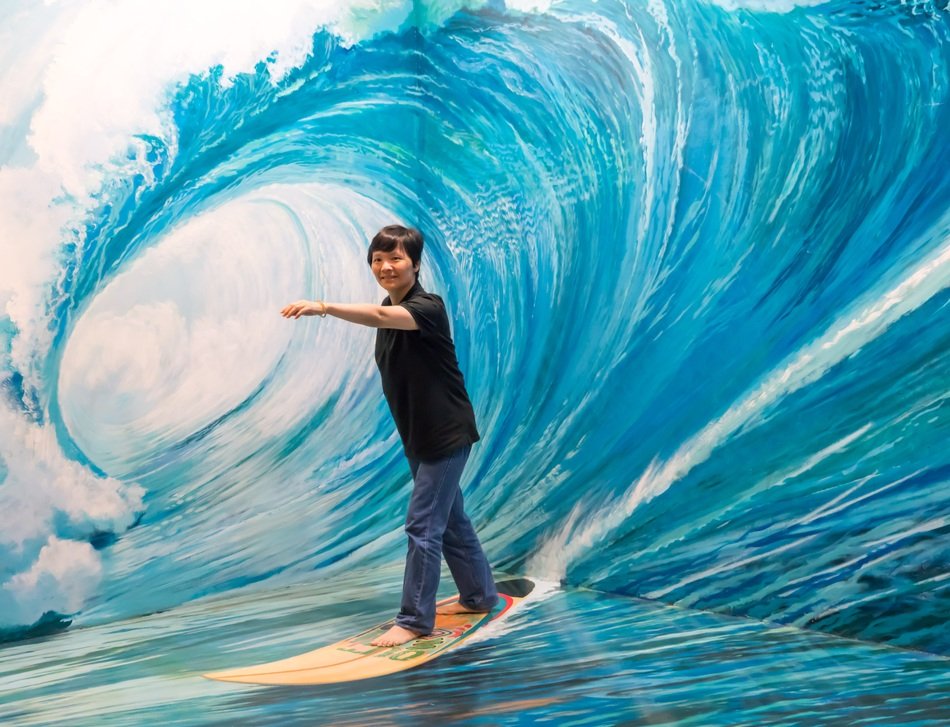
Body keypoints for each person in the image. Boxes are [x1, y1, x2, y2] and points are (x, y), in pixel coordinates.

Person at [280, 224, 498, 647]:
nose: (385, 267)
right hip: (420, 434)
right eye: (378, 259)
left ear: (415, 264)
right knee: (450, 520)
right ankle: (479, 594)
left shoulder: (426, 308)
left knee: (422, 526)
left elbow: (381, 317)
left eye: (395, 258)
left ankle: (416, 620)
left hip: (444, 433)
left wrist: (322, 306)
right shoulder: (390, 302)